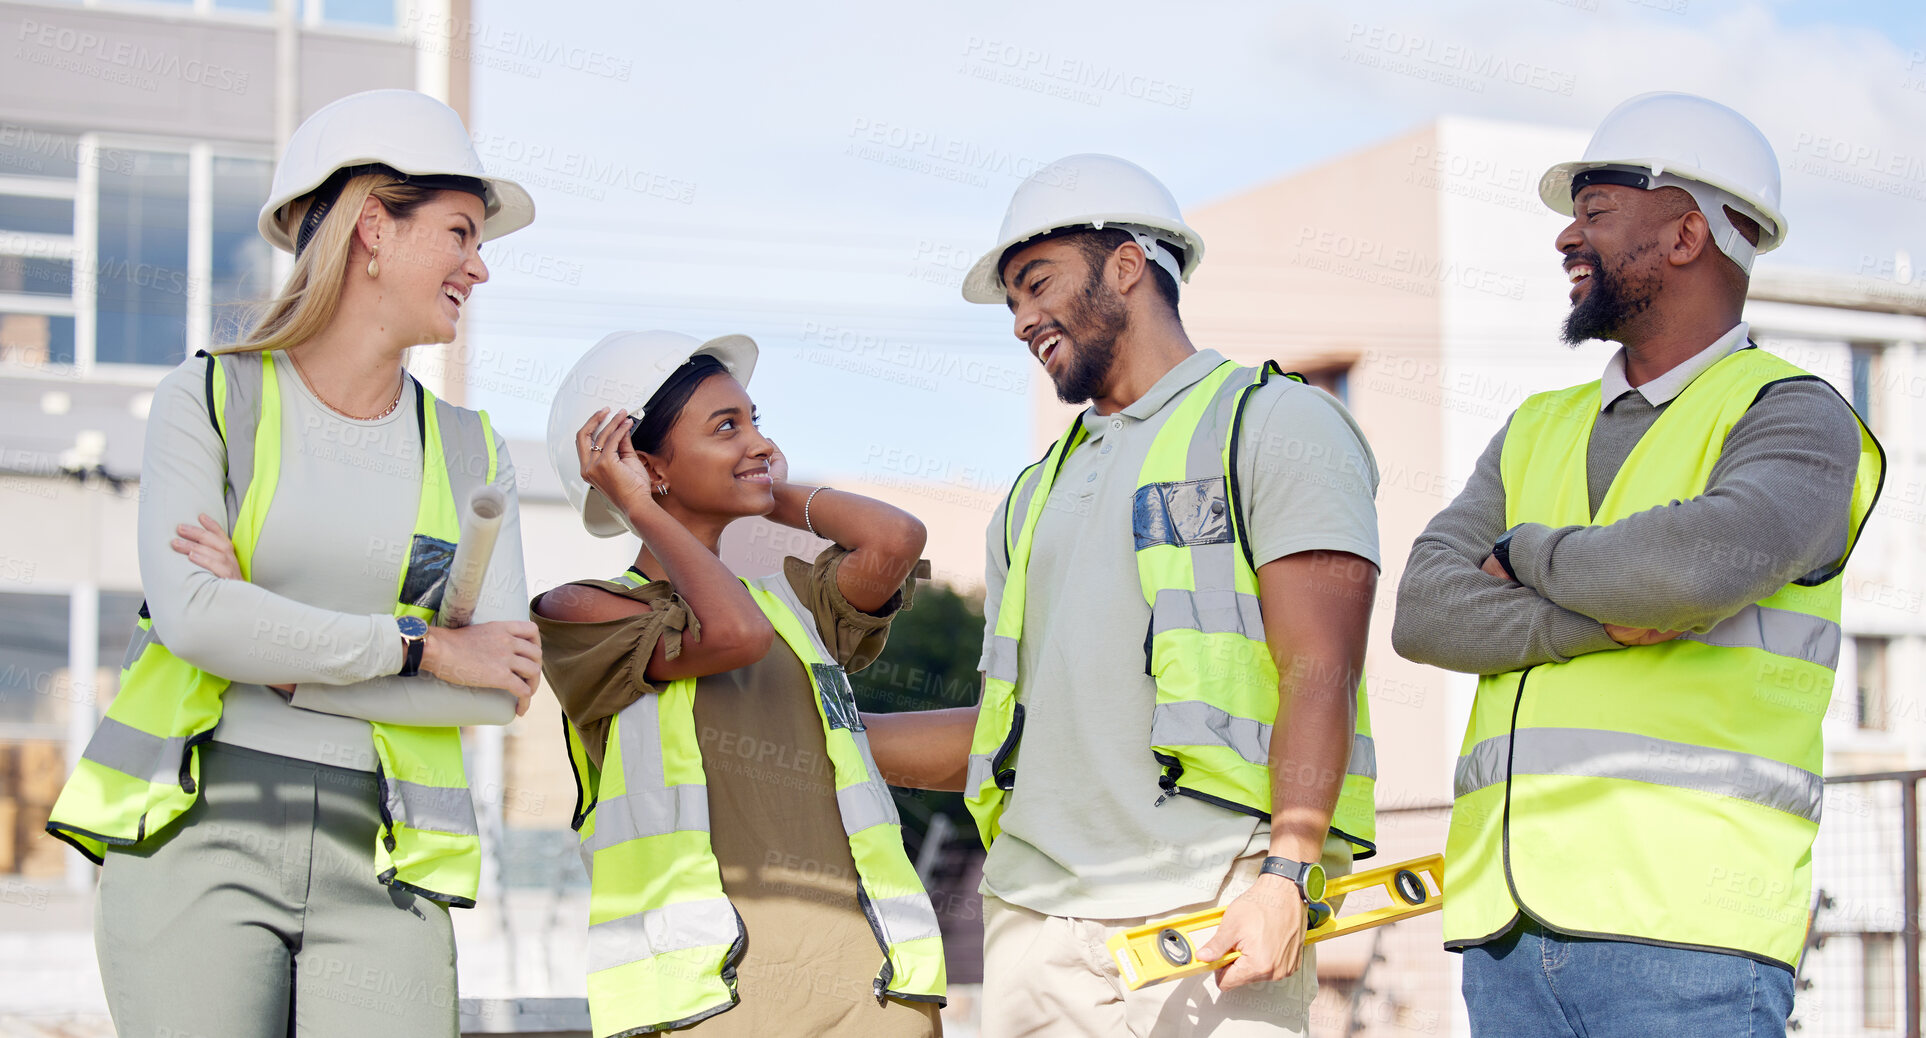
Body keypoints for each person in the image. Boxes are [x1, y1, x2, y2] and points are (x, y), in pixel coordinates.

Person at [45, 88, 541, 1037]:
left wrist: (278, 659)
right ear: (372, 230)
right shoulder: (210, 399)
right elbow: (195, 619)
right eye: (461, 233)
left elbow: (499, 686)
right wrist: (423, 649)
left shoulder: (477, 452)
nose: (479, 268)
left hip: (385, 857)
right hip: (198, 834)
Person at [1392, 92, 1883, 1037]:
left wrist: (1519, 553)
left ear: (1687, 233)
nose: (1566, 237)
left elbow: (1686, 576)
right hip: (1505, 935)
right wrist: (1595, 618)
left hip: (1688, 932)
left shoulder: (1795, 416)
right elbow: (1425, 613)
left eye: (1596, 210)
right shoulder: (1537, 425)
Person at [863, 154, 1381, 1037]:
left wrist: (1287, 876)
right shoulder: (1030, 497)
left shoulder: (1274, 424)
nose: (1022, 320)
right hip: (1034, 922)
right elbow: (1011, 731)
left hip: (1210, 907)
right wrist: (815, 732)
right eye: (1014, 302)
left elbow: (1318, 670)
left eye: (1036, 284)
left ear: (1130, 265)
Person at [531, 330, 946, 1038]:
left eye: (757, 421)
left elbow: (896, 541)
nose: (759, 442)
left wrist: (756, 484)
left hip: (873, 988)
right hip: (713, 999)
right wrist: (644, 507)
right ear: (642, 464)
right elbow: (732, 638)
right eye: (727, 427)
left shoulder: (790, 605)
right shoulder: (585, 611)